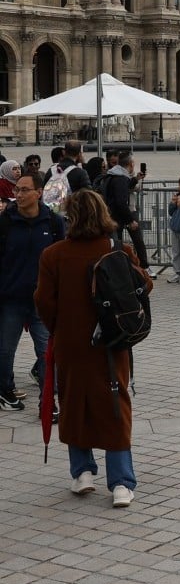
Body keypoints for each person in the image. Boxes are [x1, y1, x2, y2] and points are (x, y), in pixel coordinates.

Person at [35, 189, 152, 508]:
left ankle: (82, 472)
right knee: (114, 403)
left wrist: (61, 328)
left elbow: (43, 302)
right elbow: (144, 285)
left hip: (71, 342)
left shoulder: (53, 255)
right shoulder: (118, 249)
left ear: (70, 218)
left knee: (74, 402)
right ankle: (121, 483)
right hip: (112, 342)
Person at [1, 174, 65, 412]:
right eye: (17, 190)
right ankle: (5, 391)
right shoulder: (5, 222)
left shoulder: (53, 222)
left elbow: (61, 259)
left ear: (39, 193)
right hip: (11, 299)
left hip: (43, 300)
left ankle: (48, 402)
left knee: (47, 352)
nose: (18, 194)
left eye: (24, 190)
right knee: (5, 351)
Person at [99, 152, 155, 277]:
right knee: (120, 243)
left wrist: (135, 179)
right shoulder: (120, 178)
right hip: (118, 217)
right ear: (131, 164)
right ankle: (123, 270)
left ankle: (120, 269)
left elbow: (123, 189)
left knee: (118, 242)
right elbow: (120, 202)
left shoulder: (115, 175)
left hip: (113, 215)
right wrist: (130, 220)